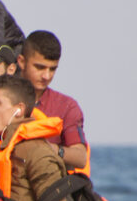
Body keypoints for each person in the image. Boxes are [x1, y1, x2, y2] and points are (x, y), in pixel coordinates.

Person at [18, 30, 89, 172]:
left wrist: (53, 150)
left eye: (52, 69)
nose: (46, 76)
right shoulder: (0, 97)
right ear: (21, 62)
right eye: (39, 67)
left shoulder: (67, 106)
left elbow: (81, 157)